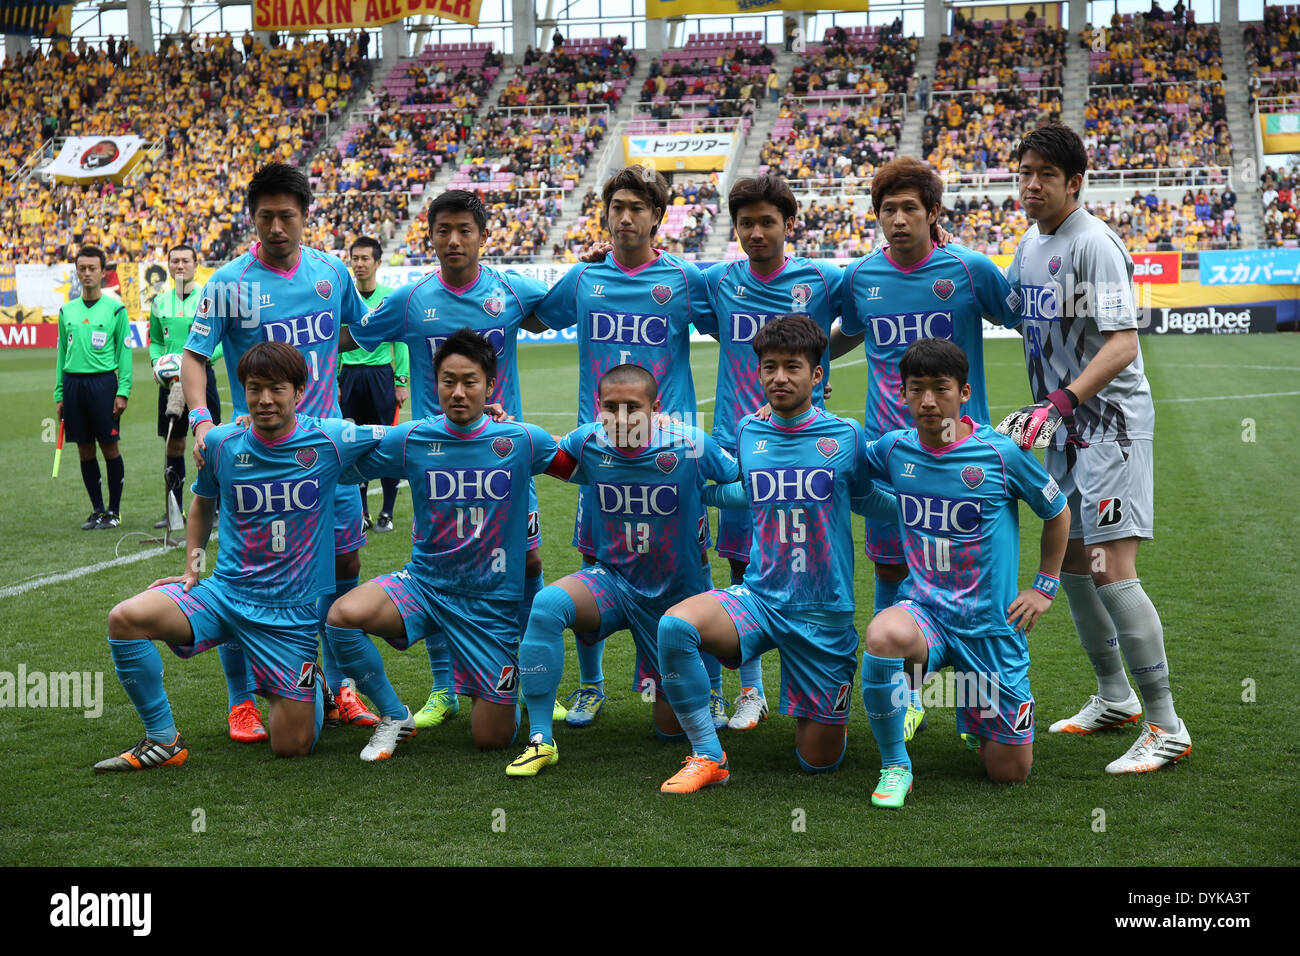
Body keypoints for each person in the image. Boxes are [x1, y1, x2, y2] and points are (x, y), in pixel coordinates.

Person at [93, 342, 400, 772]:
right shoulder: (222, 441)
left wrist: (482, 420)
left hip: (290, 618)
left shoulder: (330, 439)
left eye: (277, 389)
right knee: (125, 618)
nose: (265, 400)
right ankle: (163, 740)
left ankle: (311, 689)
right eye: (254, 389)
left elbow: (409, 434)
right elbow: (201, 503)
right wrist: (192, 569)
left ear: (299, 391)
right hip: (224, 595)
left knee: (291, 745)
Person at [1000, 123, 1191, 774]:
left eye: (1045, 175)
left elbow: (1122, 342)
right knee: (1078, 567)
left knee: (1111, 569)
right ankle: (1115, 697)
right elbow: (1012, 308)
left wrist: (1058, 402)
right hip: (1065, 429)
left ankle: (1167, 724)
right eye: (1024, 172)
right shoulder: (1029, 242)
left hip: (1107, 425)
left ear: (1074, 183)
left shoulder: (1095, 243)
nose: (1030, 185)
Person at [182, 162, 379, 745]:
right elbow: (195, 357)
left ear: (305, 215)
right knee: (252, 579)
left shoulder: (331, 273)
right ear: (253, 217)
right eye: (265, 216)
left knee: (344, 567)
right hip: (263, 458)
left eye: (286, 216)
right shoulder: (229, 284)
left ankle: (338, 684)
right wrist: (202, 421)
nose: (276, 227)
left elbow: (355, 330)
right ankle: (242, 700)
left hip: (326, 453)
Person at [344, 190, 557, 729]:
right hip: (435, 460)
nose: (454, 240)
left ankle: (528, 676)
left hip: (502, 455)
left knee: (528, 561)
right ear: (430, 235)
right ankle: (443, 689)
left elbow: (562, 305)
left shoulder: (510, 290)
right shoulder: (411, 299)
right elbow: (352, 331)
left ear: (482, 236)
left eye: (465, 229)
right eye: (444, 230)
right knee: (440, 565)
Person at [655, 316, 893, 793]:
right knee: (675, 626)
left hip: (824, 613)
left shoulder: (846, 435)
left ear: (817, 375)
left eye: (792, 367)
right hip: (759, 599)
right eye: (769, 367)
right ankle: (708, 755)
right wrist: (698, 492)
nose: (779, 377)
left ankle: (819, 709)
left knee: (818, 763)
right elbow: (751, 491)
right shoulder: (748, 430)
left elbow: (866, 498)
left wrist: (923, 511)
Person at [834, 156, 1021, 739]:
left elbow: (1024, 321)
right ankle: (908, 694)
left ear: (933, 212)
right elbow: (839, 332)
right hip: (892, 456)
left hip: (966, 458)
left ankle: (977, 701)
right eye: (887, 209)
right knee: (893, 564)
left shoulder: (968, 270)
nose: (897, 219)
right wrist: (806, 373)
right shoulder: (862, 277)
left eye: (909, 208)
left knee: (976, 577)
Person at [534, 165, 721, 730]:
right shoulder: (585, 280)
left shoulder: (686, 280)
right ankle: (590, 686)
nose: (625, 215)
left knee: (688, 570)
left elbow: (737, 332)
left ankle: (705, 685)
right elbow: (537, 316)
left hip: (671, 457)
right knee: (595, 559)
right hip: (603, 453)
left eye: (638, 206)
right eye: (617, 205)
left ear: (657, 217)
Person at [328, 330, 567, 751]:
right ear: (434, 384)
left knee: (491, 738)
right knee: (341, 617)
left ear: (491, 386)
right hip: (425, 586)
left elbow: (587, 463)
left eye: (470, 382)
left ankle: (493, 685)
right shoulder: (414, 437)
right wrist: (262, 427)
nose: (458, 392)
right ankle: (394, 714)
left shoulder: (520, 440)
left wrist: (655, 429)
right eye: (447, 381)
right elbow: (340, 460)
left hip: (490, 605)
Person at [860, 338, 1070, 808]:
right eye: (917, 390)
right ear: (904, 394)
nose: (929, 401)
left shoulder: (1001, 453)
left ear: (964, 392)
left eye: (941, 389)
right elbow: (846, 476)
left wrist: (1044, 587)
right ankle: (896, 765)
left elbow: (1057, 511)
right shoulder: (894, 449)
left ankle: (973, 711)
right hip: (925, 614)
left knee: (1009, 774)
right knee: (882, 635)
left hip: (990, 627)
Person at [508, 364, 741, 776]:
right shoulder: (588, 440)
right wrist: (501, 423)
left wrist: (705, 496)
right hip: (614, 585)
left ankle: (713, 693)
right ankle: (541, 739)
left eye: (632, 408)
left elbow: (737, 478)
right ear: (598, 408)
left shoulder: (690, 442)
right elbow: (551, 457)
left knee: (668, 731)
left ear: (656, 408)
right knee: (546, 606)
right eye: (610, 408)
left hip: (678, 600)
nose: (620, 418)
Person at [699, 173, 842, 730]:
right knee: (740, 560)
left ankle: (812, 676)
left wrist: (818, 369)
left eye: (767, 222)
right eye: (746, 223)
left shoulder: (823, 278)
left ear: (789, 225)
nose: (756, 233)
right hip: (736, 440)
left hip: (803, 442)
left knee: (806, 555)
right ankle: (752, 689)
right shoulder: (717, 281)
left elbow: (858, 316)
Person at [55, 246, 130, 530]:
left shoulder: (116, 309)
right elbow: (62, 353)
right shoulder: (67, 310)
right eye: (82, 268)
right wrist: (59, 393)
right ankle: (97, 510)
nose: (86, 273)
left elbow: (124, 354)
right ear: (77, 271)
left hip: (103, 384)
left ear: (102, 272)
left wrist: (123, 390)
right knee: (84, 449)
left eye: (92, 268)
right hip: (74, 384)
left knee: (109, 447)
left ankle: (114, 511)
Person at [149, 243, 221, 530]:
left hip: (202, 378)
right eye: (174, 261)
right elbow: (155, 340)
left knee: (211, 443)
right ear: (168, 265)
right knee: (173, 445)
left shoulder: (208, 298)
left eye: (185, 261)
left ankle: (214, 509)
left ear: (195, 264)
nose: (180, 266)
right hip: (170, 384)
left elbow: (219, 342)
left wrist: (197, 361)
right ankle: (174, 511)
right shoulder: (159, 302)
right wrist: (158, 363)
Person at [343, 236, 408, 534]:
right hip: (350, 377)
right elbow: (335, 342)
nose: (359, 263)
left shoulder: (389, 297)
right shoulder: (344, 299)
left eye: (365, 258)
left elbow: (401, 341)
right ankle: (363, 513)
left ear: (378, 263)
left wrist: (401, 380)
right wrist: (336, 380)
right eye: (355, 258)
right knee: (353, 443)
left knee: (387, 442)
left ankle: (387, 511)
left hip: (382, 376)